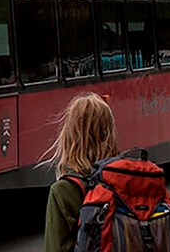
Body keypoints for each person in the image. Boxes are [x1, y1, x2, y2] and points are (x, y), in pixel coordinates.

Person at [42, 92, 119, 252]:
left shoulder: (63, 190)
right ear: (109, 133)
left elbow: (55, 247)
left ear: (70, 136)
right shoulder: (129, 179)